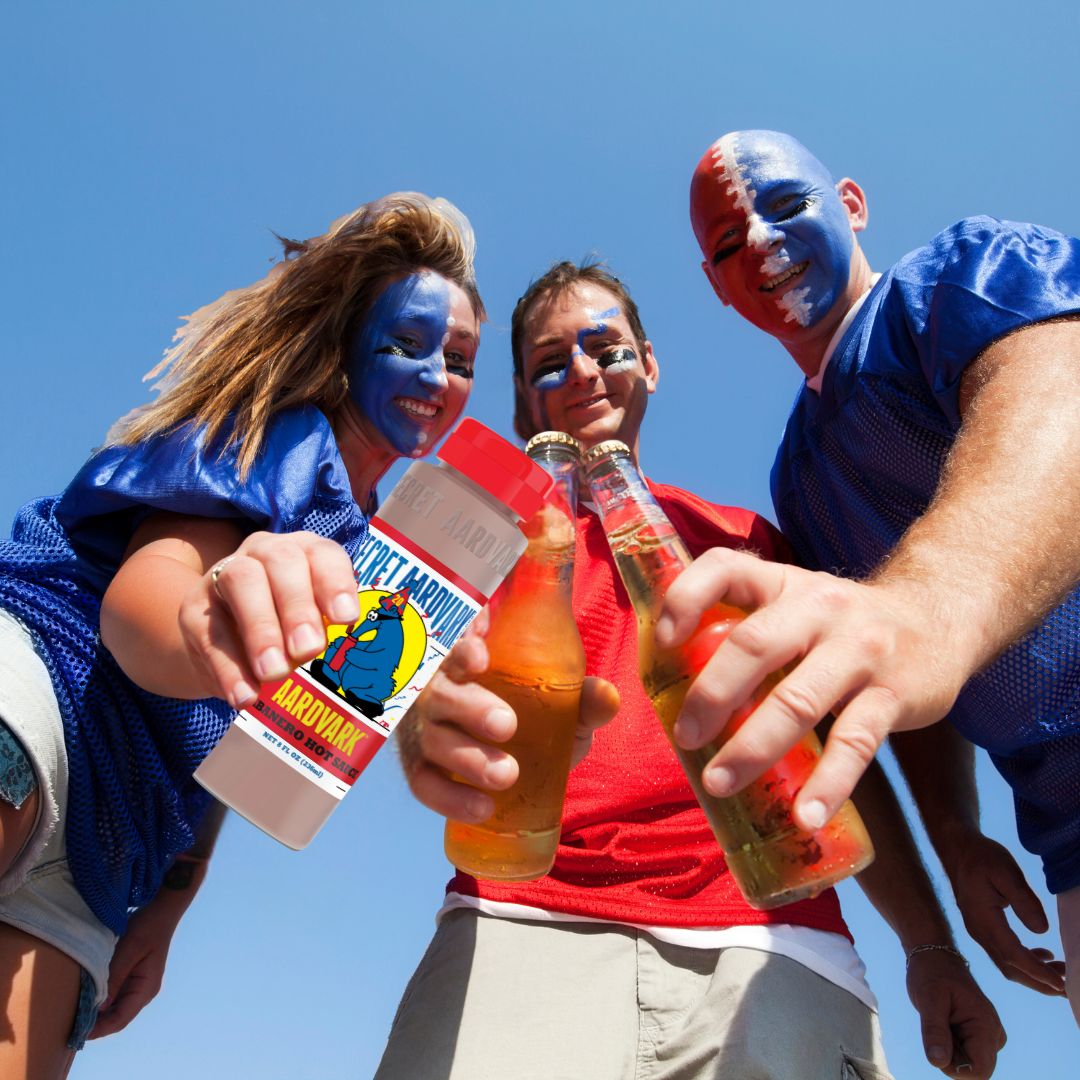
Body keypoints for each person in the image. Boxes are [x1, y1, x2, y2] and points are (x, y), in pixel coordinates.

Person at [382, 261, 1006, 1079]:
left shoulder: (747, 539)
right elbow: (382, 688)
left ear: (649, 363)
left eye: (603, 347)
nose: (580, 371)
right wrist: (421, 721)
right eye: (548, 363)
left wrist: (930, 948)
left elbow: (828, 754)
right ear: (524, 401)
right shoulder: (472, 521)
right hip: (515, 920)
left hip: (778, 937)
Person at [0, 191, 500, 1078]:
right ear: (348, 348)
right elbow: (145, 601)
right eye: (406, 344)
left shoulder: (390, 561)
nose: (435, 378)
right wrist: (204, 627)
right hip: (45, 695)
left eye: (459, 360)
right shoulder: (281, 436)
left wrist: (170, 902)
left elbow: (258, 752)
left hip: (117, 836)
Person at [675, 129, 1080, 1017]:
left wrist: (934, 598)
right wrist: (956, 836)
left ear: (851, 204)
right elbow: (885, 658)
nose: (768, 246)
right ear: (717, 287)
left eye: (787, 206)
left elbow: (1059, 386)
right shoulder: (798, 475)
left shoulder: (956, 278)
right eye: (732, 244)